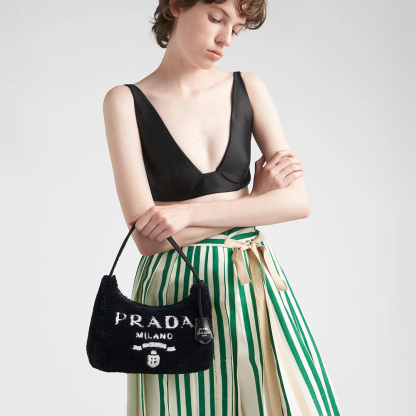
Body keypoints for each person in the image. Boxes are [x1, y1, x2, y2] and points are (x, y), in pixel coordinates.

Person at [103, 0, 343, 415]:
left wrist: (186, 213)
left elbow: (297, 201)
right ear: (177, 6)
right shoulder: (124, 101)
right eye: (216, 18)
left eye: (236, 28)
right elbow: (148, 240)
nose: (225, 39)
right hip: (173, 289)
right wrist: (254, 203)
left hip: (249, 279)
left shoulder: (248, 87)